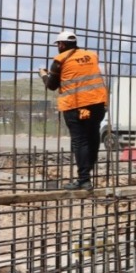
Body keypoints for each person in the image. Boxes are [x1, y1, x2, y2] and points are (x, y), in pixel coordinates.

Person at [39, 31, 107, 190]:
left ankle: (84, 179)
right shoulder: (91, 55)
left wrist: (43, 74)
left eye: (58, 45)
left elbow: (52, 85)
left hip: (76, 106)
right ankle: (88, 171)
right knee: (93, 136)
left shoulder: (59, 60)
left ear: (61, 45)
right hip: (97, 104)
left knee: (80, 140)